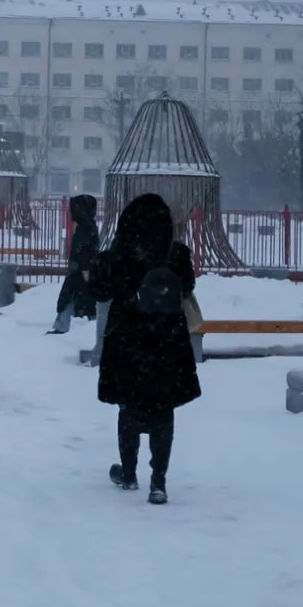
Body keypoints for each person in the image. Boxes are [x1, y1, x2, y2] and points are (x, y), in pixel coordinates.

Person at [90, 193, 201, 505]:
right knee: (163, 410)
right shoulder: (176, 254)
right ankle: (159, 481)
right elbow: (188, 287)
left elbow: (99, 291)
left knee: (129, 406)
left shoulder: (121, 254)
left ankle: (128, 472)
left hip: (128, 341)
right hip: (168, 344)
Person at [48, 194, 99, 334]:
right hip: (81, 269)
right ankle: (64, 326)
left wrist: (84, 268)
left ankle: (63, 327)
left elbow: (86, 250)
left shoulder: (86, 227)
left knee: (72, 298)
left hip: (81, 269)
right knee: (81, 299)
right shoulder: (87, 225)